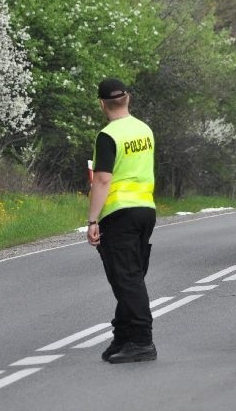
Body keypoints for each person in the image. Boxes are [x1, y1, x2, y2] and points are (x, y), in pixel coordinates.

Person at [86, 78, 157, 364]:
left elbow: (103, 179)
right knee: (132, 276)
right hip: (146, 210)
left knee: (125, 278)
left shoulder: (108, 135)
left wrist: (92, 220)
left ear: (102, 103)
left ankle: (142, 340)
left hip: (119, 213)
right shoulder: (144, 130)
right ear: (127, 98)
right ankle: (124, 335)